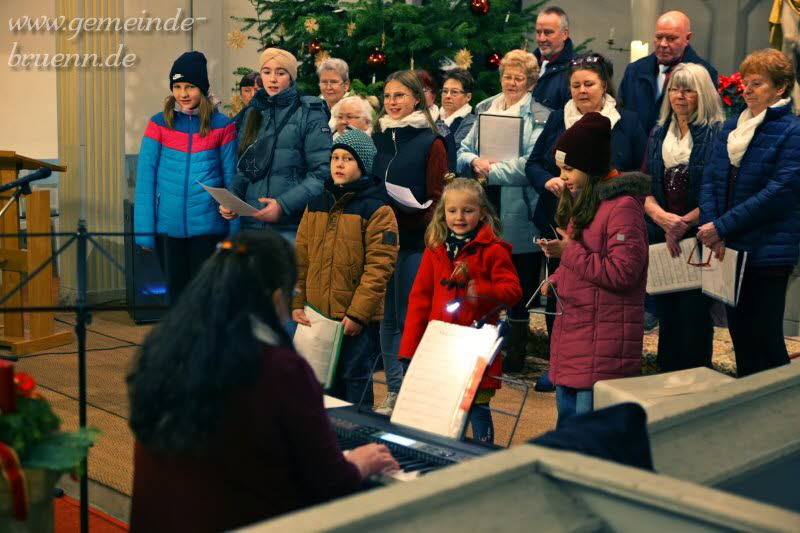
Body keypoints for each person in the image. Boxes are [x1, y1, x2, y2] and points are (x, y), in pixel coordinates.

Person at [128, 230, 399, 532]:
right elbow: (330, 483)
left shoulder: (163, 345)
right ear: (275, 297)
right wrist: (360, 462)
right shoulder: (280, 369)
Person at [525, 52, 645, 351]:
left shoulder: (625, 121)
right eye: (576, 85)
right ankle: (558, 355)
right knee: (560, 288)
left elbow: (640, 167)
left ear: (603, 85)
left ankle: (587, 357)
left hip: (605, 215)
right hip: (560, 213)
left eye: (589, 84)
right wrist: (549, 179)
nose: (582, 91)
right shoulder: (558, 118)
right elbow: (535, 164)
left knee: (593, 290)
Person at [538, 113, 649, 426]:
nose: (563, 176)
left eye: (569, 169)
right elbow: (582, 260)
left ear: (590, 166)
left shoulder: (623, 206)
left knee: (589, 431)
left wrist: (567, 252)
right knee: (568, 423)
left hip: (604, 336)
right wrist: (557, 276)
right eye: (561, 169)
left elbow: (623, 272)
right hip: (577, 329)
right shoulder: (585, 201)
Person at [697, 48, 800, 378]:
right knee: (740, 334)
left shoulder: (792, 131)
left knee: (766, 339)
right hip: (730, 248)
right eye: (745, 82)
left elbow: (779, 192)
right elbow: (711, 178)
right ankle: (749, 415)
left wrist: (721, 226)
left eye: (757, 83)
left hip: (768, 250)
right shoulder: (732, 127)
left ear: (780, 88)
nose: (747, 89)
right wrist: (713, 226)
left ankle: (781, 418)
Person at [399, 178, 521, 443]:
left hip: (475, 347)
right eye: (452, 210)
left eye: (468, 210)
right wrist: (409, 350)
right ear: (443, 213)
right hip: (440, 347)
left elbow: (512, 292)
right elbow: (420, 301)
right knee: (442, 409)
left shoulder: (494, 251)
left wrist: (481, 289)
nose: (459, 217)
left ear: (482, 212)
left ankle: (481, 456)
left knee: (476, 406)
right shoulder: (435, 250)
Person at [457, 49, 550, 371]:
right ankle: (483, 350)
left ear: (531, 81)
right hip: (484, 206)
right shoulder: (486, 107)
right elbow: (463, 149)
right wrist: (473, 162)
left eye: (519, 78)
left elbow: (531, 163)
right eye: (507, 76)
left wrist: (491, 171)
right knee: (483, 280)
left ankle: (516, 355)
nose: (511, 82)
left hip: (519, 209)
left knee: (519, 285)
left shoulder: (540, 115)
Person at [292, 129, 399, 405]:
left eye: (348, 159)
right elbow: (300, 256)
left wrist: (358, 314)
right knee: (317, 385)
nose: (338, 164)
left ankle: (361, 441)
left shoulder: (377, 209)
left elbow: (379, 268)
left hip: (354, 320)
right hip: (317, 314)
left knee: (355, 382)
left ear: (362, 165)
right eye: (335, 158)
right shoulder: (316, 203)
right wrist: (296, 301)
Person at [372, 70, 449, 415]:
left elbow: (439, 197)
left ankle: (413, 392)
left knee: (408, 318)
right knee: (386, 320)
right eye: (388, 96)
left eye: (400, 95)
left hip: (415, 240)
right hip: (382, 240)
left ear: (416, 98)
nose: (393, 102)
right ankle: (393, 390)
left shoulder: (429, 141)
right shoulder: (378, 136)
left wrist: (414, 213)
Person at [134, 51, 237, 304]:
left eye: (190, 86)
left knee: (206, 299)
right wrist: (145, 233)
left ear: (202, 88)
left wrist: (235, 233)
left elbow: (232, 179)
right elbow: (145, 181)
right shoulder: (158, 125)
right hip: (168, 230)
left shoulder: (223, 126)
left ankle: (206, 344)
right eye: (177, 86)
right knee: (177, 300)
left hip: (208, 230)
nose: (184, 93)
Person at [643, 62, 724, 372]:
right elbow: (646, 183)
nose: (680, 95)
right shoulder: (658, 130)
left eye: (688, 89)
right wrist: (661, 218)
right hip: (663, 235)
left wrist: (685, 222)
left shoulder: (716, 132)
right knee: (668, 316)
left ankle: (694, 390)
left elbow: (718, 190)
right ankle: (665, 384)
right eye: (675, 88)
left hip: (700, 236)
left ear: (702, 94)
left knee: (694, 318)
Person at [221, 48, 332, 244]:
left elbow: (321, 174)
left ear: (290, 77)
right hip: (251, 225)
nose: (272, 79)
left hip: (290, 227)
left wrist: (283, 205)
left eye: (280, 73)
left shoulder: (309, 113)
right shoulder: (254, 112)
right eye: (266, 72)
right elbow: (246, 170)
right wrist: (232, 198)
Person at [619, 10, 718, 135]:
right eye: (658, 37)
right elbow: (623, 114)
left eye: (671, 38)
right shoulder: (634, 70)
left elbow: (707, 123)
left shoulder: (705, 74)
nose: (663, 44)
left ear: (687, 38)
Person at [533, 5, 575, 110]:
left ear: (564, 34)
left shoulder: (576, 69)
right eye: (538, 32)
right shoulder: (526, 65)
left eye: (548, 32)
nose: (541, 39)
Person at [437, 68, 475, 171]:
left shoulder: (471, 122)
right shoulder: (435, 115)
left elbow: (453, 150)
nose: (447, 96)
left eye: (454, 92)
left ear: (468, 97)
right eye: (445, 91)